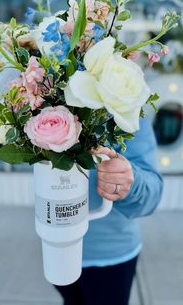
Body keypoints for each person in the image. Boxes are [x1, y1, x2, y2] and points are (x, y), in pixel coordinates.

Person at [55, 118, 163, 305]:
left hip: (110, 256)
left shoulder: (128, 102)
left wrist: (128, 181)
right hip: (57, 249)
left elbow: (153, 194)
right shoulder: (42, 100)